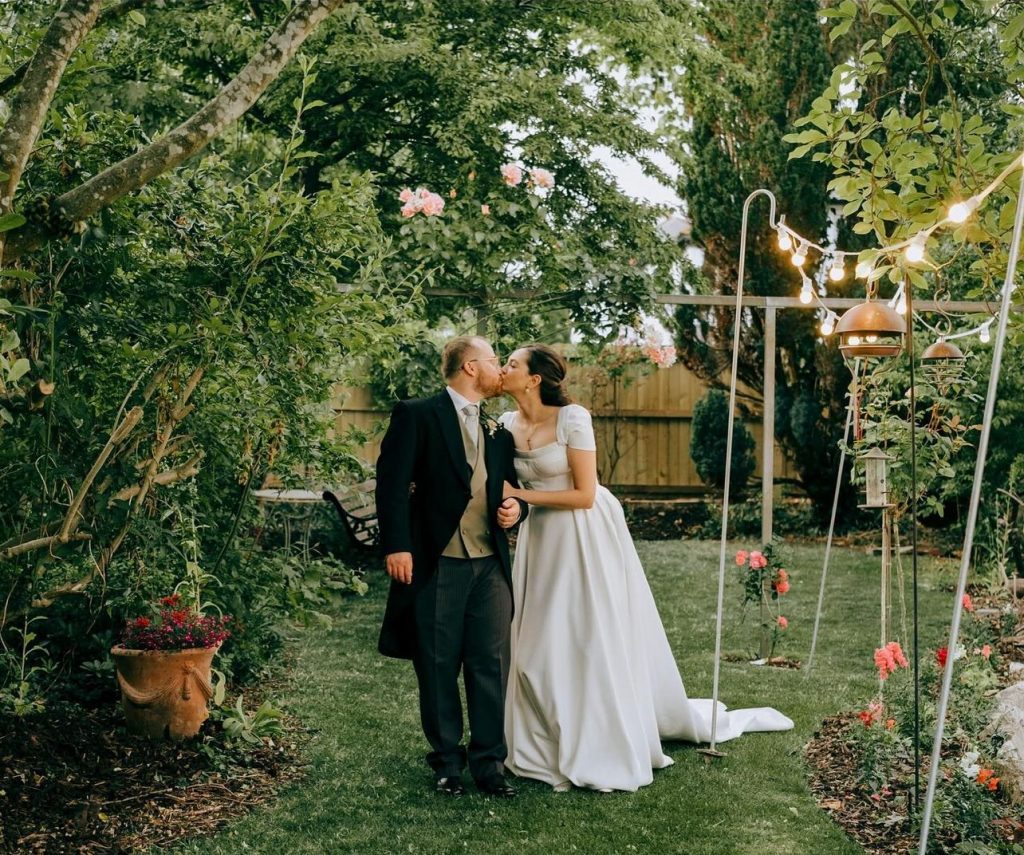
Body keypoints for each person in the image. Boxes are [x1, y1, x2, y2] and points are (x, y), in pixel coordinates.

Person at [498, 343, 793, 793]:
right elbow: (507, 491)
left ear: (535, 378)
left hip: (584, 533)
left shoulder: (573, 419)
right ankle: (542, 736)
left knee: (586, 631)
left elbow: (584, 494)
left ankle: (602, 732)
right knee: (537, 635)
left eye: (512, 364)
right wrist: (513, 507)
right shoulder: (505, 425)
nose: (504, 369)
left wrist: (523, 497)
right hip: (541, 540)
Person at [375, 335, 527, 799]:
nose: (500, 368)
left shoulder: (498, 429)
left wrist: (516, 511)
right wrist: (397, 545)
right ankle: (446, 764)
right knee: (438, 665)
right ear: (470, 367)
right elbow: (391, 483)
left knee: (490, 664)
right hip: (437, 561)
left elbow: (513, 488)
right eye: (494, 360)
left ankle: (489, 765)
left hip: (490, 566)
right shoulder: (418, 414)